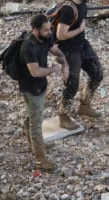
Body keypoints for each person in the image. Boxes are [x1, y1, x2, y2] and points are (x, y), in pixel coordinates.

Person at [19, 14, 68, 171]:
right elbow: (35, 72)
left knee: (34, 115)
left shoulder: (46, 36)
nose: (50, 33)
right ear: (35, 30)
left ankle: (33, 145)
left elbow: (55, 50)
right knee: (36, 123)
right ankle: (41, 159)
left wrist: (65, 64)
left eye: (50, 29)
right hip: (31, 88)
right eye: (46, 30)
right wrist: (53, 69)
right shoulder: (28, 46)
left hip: (41, 85)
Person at [55, 0, 104, 130]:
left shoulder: (82, 3)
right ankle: (63, 116)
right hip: (69, 51)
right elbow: (60, 35)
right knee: (72, 85)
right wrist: (80, 29)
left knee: (97, 73)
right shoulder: (68, 9)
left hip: (82, 45)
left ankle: (85, 105)